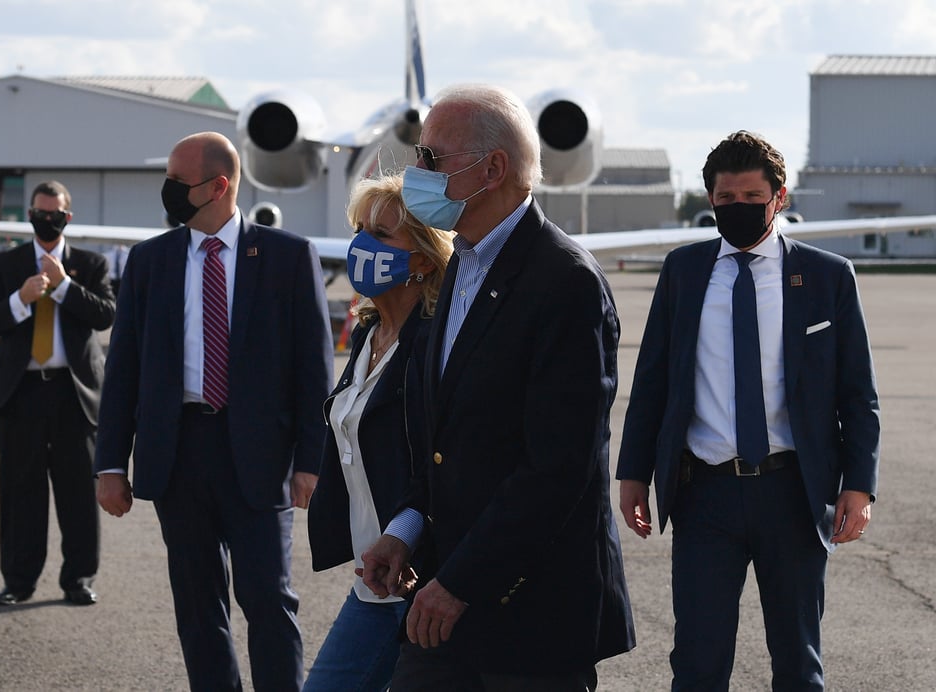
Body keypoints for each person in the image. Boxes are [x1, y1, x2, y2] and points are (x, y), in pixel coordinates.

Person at [361, 84, 636, 690]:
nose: (417, 172)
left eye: (432, 158)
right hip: (440, 600)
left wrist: (461, 583)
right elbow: (446, 437)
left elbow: (556, 467)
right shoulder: (461, 261)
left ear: (493, 169)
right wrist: (406, 528)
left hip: (528, 617)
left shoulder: (564, 282)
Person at [616, 130, 880, 690]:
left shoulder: (829, 276)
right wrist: (634, 472)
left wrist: (860, 484)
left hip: (793, 491)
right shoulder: (684, 271)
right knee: (697, 663)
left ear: (779, 198)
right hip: (704, 493)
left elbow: (857, 391)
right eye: (725, 199)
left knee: (798, 663)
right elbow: (654, 380)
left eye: (752, 199)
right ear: (710, 198)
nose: (737, 210)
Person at [93, 131, 333, 691]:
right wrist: (110, 464)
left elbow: (313, 370)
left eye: (178, 181)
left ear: (219, 185)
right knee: (198, 607)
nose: (168, 191)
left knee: (269, 600)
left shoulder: (287, 257)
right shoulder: (149, 262)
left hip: (259, 455)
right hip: (179, 456)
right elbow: (122, 368)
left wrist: (310, 461)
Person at [305, 174, 452, 692]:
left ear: (423, 260)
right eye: (360, 229)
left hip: (427, 578)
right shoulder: (368, 333)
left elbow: (443, 462)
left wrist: (406, 534)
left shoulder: (435, 344)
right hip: (377, 583)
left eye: (382, 234)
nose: (363, 244)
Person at [0, 180, 115, 607]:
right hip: (21, 395)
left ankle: (78, 578)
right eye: (39, 212)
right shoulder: (7, 264)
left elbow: (105, 314)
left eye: (53, 214)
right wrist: (21, 298)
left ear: (66, 217)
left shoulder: (90, 264)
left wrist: (63, 288)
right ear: (30, 215)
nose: (46, 219)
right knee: (21, 492)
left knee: (76, 492)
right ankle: (19, 581)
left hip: (73, 395)